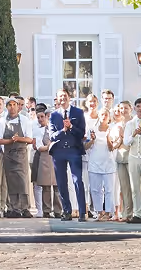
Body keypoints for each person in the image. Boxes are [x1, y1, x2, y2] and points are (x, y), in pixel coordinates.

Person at [48, 89, 89, 221]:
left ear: (69, 97)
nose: (63, 98)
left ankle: (82, 212)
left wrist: (71, 127)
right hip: (59, 152)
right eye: (60, 96)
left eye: (65, 96)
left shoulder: (78, 112)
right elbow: (52, 136)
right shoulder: (53, 115)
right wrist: (63, 130)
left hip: (74, 150)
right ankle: (67, 211)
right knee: (61, 183)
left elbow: (82, 133)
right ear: (57, 99)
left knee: (77, 181)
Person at [0, 95, 35, 217]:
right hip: (8, 155)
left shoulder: (24, 120)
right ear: (6, 107)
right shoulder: (1, 121)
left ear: (18, 106)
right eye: (10, 105)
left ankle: (25, 208)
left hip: (21, 154)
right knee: (11, 182)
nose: (12, 107)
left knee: (23, 182)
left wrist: (18, 139)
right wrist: (10, 141)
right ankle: (14, 208)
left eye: (14, 104)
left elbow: (30, 139)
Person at [85, 97, 116, 220]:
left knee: (109, 189)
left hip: (108, 162)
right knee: (95, 189)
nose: (103, 116)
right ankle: (99, 211)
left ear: (109, 117)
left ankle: (108, 212)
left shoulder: (112, 129)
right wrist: (92, 140)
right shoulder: (92, 129)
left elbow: (111, 148)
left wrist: (108, 137)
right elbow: (86, 146)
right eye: (102, 114)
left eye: (106, 115)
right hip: (94, 162)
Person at [32, 102, 56, 217]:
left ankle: (58, 210)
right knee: (46, 186)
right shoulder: (38, 130)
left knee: (57, 187)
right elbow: (38, 146)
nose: (41, 119)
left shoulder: (55, 129)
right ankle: (46, 210)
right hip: (44, 159)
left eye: (43, 117)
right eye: (38, 117)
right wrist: (49, 146)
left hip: (56, 159)